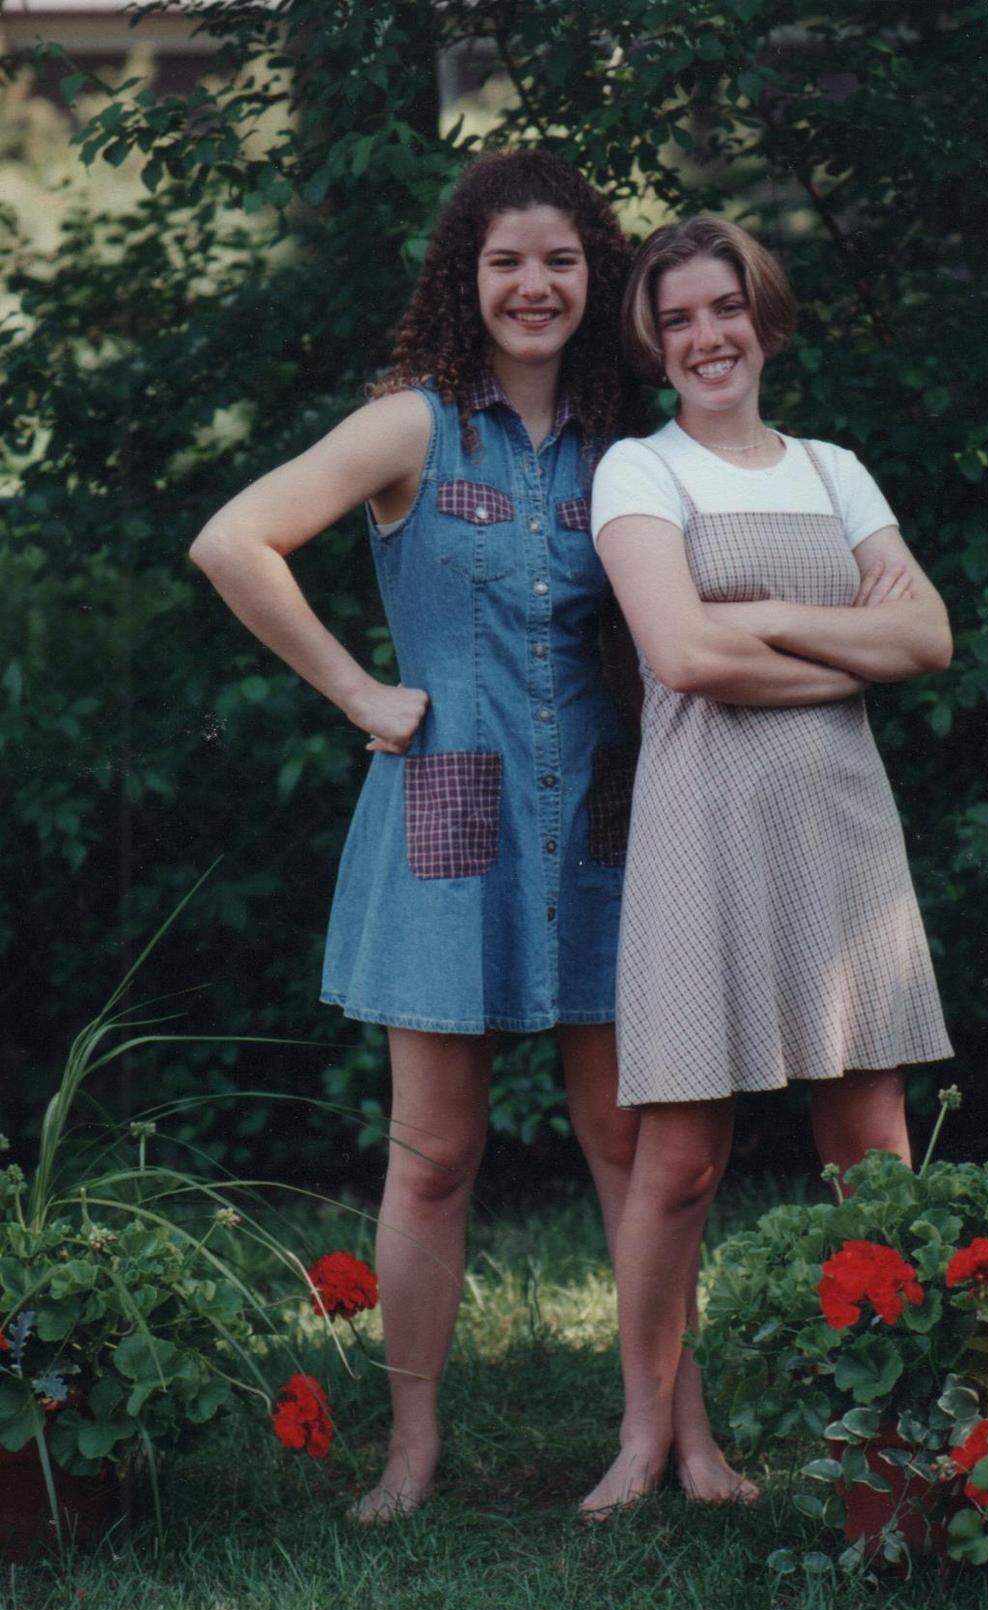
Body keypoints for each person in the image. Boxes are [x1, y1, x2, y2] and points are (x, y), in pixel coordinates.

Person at [189, 154, 747, 1521]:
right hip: (448, 826)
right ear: (467, 276)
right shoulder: (413, 428)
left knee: (633, 1145)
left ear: (594, 276)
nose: (534, 286)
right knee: (433, 1156)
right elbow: (234, 540)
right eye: (507, 262)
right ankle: (411, 1450)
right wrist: (359, 693)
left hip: (610, 831)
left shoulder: (636, 448)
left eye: (560, 260)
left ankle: (680, 1437)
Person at [583, 214, 954, 1514]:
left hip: (842, 831)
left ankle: (890, 1427)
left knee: (871, 1148)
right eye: (678, 318)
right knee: (682, 1157)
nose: (707, 337)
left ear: (763, 315)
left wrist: (766, 618)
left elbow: (928, 638)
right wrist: (843, 640)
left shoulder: (834, 470)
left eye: (724, 308)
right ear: (653, 342)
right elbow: (684, 655)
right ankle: (646, 1434)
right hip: (702, 832)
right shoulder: (638, 471)